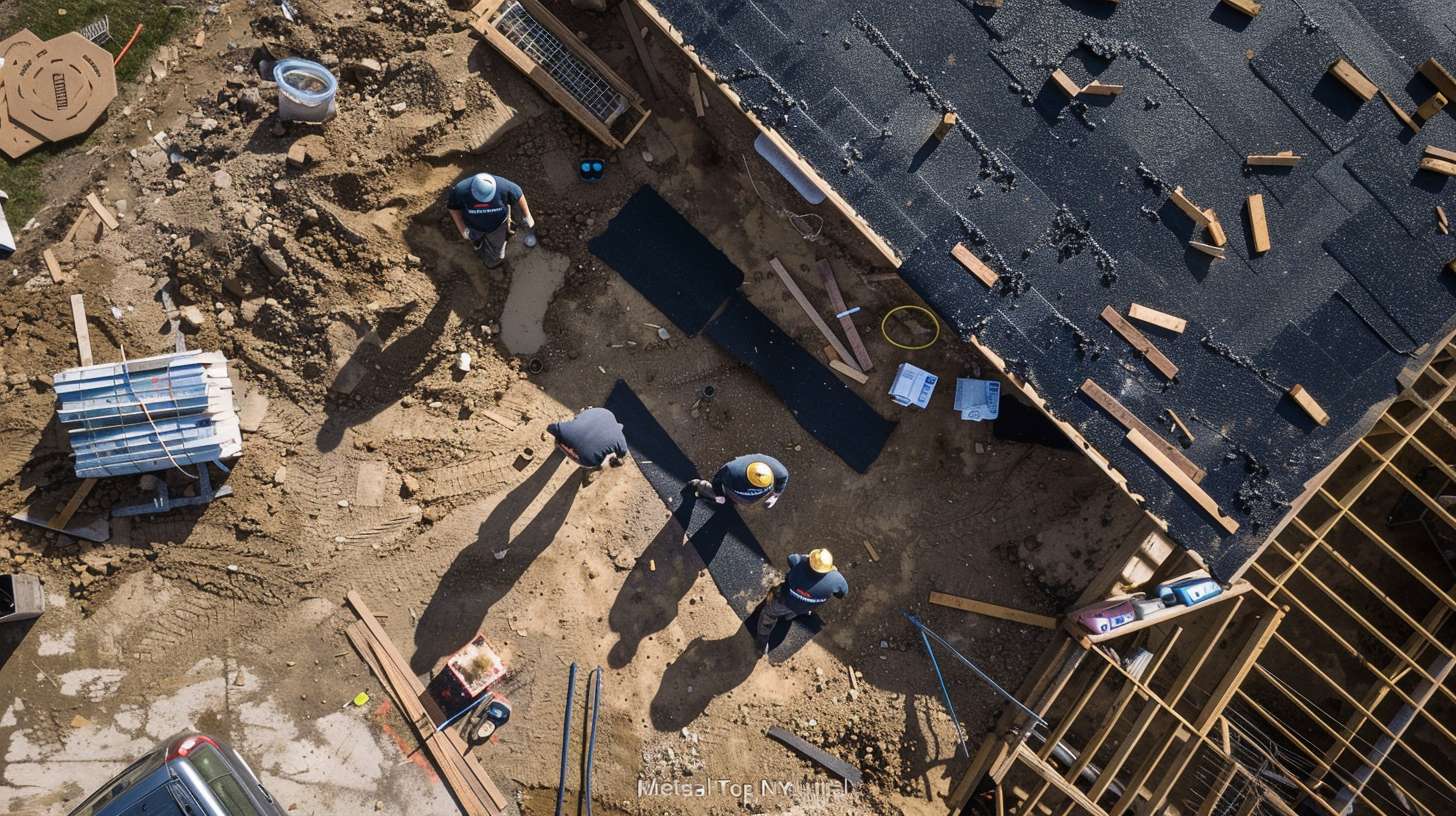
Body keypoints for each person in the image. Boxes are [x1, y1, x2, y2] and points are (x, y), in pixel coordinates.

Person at [755, 548, 848, 656]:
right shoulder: (837, 580)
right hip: (806, 607)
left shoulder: (799, 562)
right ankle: (789, 617)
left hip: (784, 601)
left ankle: (761, 646)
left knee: (768, 616)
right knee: (794, 612)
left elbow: (790, 558)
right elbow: (841, 594)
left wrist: (806, 558)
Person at [446, 172, 536, 268]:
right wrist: (462, 229)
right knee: (474, 238)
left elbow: (519, 194)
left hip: (497, 226)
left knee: (497, 251)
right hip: (473, 226)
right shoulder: (461, 190)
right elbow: (453, 208)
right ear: (472, 190)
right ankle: (478, 244)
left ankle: (492, 263)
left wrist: (527, 215)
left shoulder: (504, 186)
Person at [547, 407, 627, 482]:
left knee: (563, 434)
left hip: (559, 431)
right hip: (585, 459)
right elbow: (622, 456)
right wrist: (613, 461)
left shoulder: (606, 412)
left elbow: (582, 412)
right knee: (593, 461)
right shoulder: (620, 438)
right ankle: (587, 469)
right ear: (621, 429)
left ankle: (559, 444)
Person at [689, 454, 789, 508]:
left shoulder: (778, 471)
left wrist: (776, 494)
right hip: (732, 490)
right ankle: (700, 486)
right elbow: (717, 480)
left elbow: (783, 478)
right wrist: (719, 494)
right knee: (724, 496)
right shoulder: (732, 470)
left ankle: (730, 501)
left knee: (739, 501)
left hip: (746, 498)